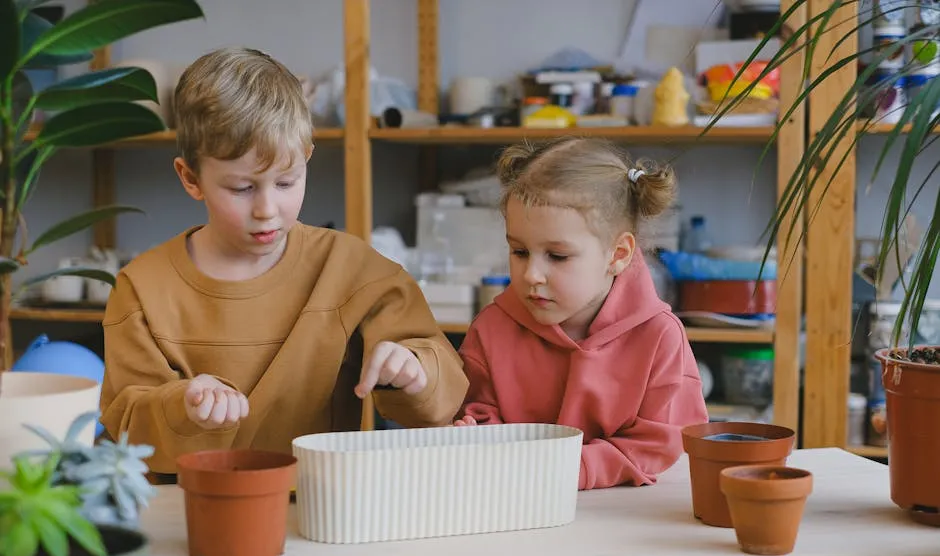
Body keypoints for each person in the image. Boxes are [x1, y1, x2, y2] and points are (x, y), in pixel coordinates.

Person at [99, 47, 468, 474]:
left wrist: (415, 372)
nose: (267, 209)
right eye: (241, 188)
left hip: (322, 505)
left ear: (307, 157)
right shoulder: (142, 288)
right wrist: (183, 407)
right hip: (190, 511)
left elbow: (443, 395)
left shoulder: (353, 269)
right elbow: (126, 426)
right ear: (191, 178)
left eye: (286, 181)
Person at [454, 137, 708, 490]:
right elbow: (481, 410)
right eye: (519, 251)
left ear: (618, 254)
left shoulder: (660, 337)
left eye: (557, 256)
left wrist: (570, 470)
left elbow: (659, 443)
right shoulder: (491, 328)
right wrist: (477, 432)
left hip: (621, 520)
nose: (531, 274)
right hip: (518, 507)